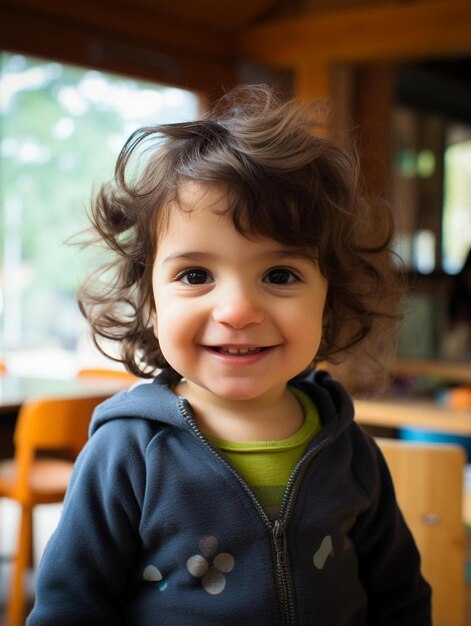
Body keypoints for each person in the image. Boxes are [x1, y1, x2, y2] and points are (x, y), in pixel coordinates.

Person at [27, 85, 431, 625]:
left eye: (280, 275)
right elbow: (68, 609)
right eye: (196, 275)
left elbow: (400, 598)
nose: (238, 309)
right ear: (149, 302)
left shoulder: (350, 451)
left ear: (328, 301)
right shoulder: (127, 454)